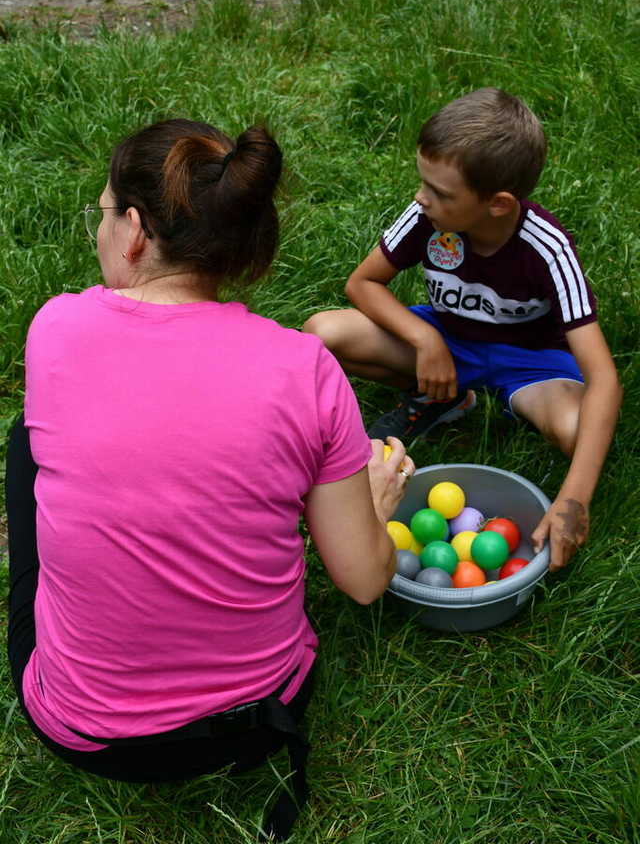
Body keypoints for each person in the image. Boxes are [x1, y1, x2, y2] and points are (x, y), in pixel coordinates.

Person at [5, 118, 415, 841]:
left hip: (81, 727)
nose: (100, 229)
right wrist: (375, 509)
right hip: (260, 720)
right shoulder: (306, 370)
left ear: (133, 231)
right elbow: (364, 579)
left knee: (24, 442)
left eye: (102, 212)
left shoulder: (56, 331)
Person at [303, 88, 622, 572]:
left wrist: (572, 500)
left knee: (583, 430)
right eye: (423, 183)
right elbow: (362, 283)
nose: (420, 198)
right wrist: (426, 339)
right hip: (448, 341)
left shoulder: (548, 248)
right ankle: (449, 397)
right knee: (322, 333)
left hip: (530, 364)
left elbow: (606, 381)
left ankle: (495, 399)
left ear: (496, 204)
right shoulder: (429, 217)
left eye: (440, 192)